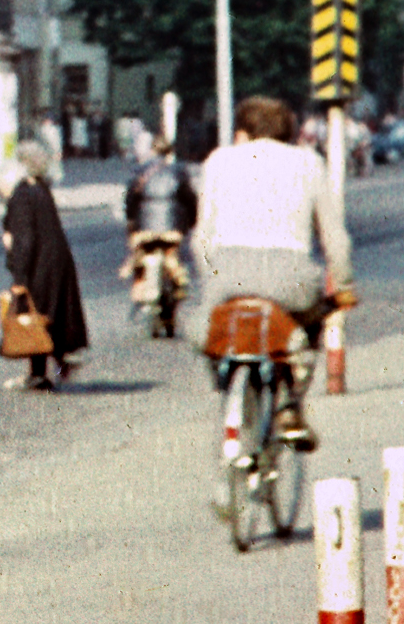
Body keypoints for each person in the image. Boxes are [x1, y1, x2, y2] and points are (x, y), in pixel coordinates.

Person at [195, 95, 354, 446]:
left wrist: (212, 277)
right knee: (312, 323)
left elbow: (201, 238)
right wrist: (342, 284)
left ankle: (226, 385)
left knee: (210, 333)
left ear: (243, 132)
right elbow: (335, 238)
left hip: (228, 272)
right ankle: (290, 404)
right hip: (290, 275)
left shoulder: (218, 161)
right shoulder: (309, 162)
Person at [0, 138, 89, 392]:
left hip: (39, 264)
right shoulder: (41, 188)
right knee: (51, 314)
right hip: (58, 261)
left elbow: (25, 240)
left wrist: (19, 278)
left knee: (33, 316)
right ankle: (59, 365)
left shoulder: (22, 195)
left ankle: (38, 375)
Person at [120, 129, 199, 340]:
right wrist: (192, 221)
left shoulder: (139, 171)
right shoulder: (179, 171)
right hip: (172, 227)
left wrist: (131, 221)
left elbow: (130, 200)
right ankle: (176, 290)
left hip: (144, 228)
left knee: (138, 255)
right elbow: (190, 199)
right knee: (174, 260)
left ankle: (140, 288)